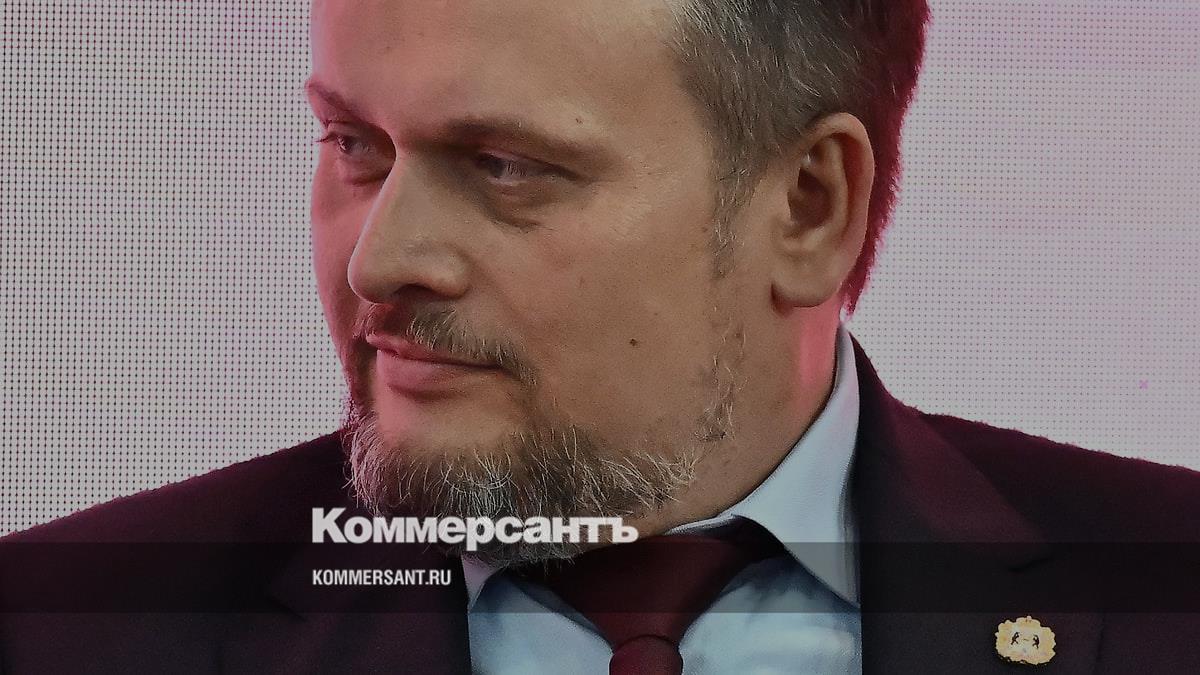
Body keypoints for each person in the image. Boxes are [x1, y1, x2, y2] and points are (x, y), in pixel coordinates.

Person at [2, 0, 1198, 673]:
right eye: (354, 146)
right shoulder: (56, 627)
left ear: (808, 206)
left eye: (503, 165)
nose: (378, 261)